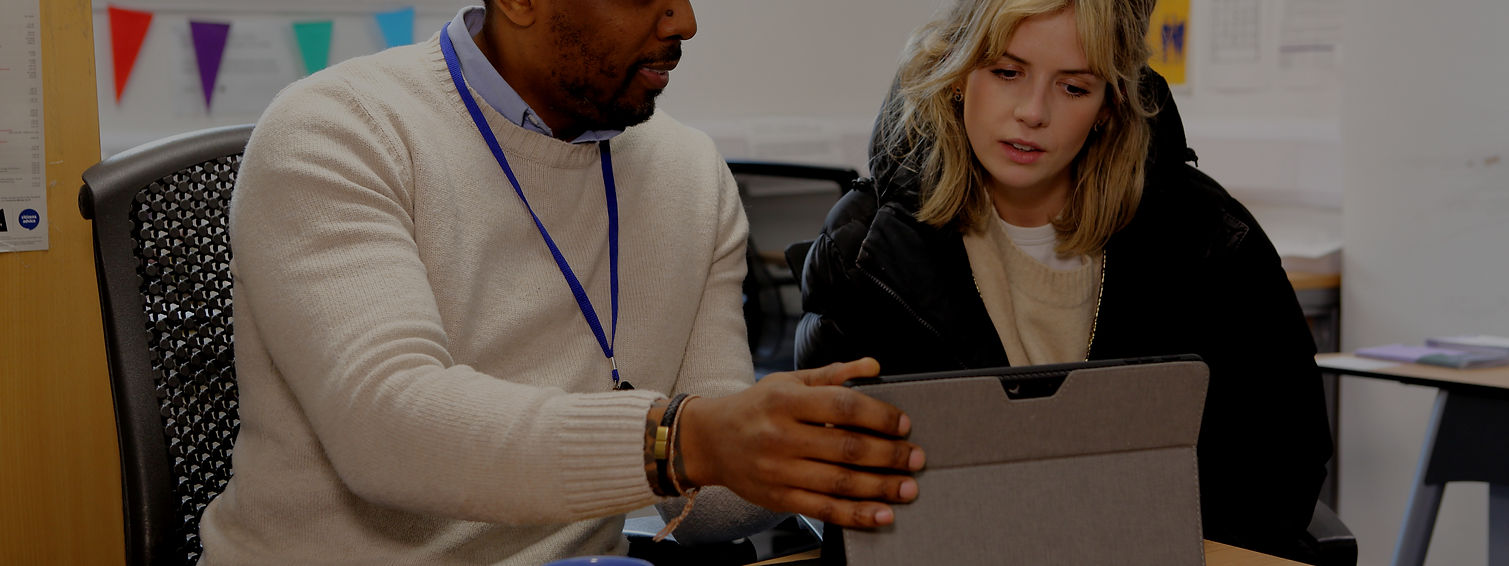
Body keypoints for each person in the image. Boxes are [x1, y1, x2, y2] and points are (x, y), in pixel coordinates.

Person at [200, 1, 926, 564]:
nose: (685, 21)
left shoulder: (689, 173)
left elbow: (704, 509)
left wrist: (805, 448)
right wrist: (681, 441)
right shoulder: (337, 129)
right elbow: (387, 427)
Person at [796, 0, 1332, 561]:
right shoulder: (865, 250)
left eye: (1074, 88)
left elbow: (1280, 463)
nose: (1033, 112)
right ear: (957, 74)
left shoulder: (1211, 239)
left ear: (1108, 105)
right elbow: (838, 486)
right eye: (1007, 73)